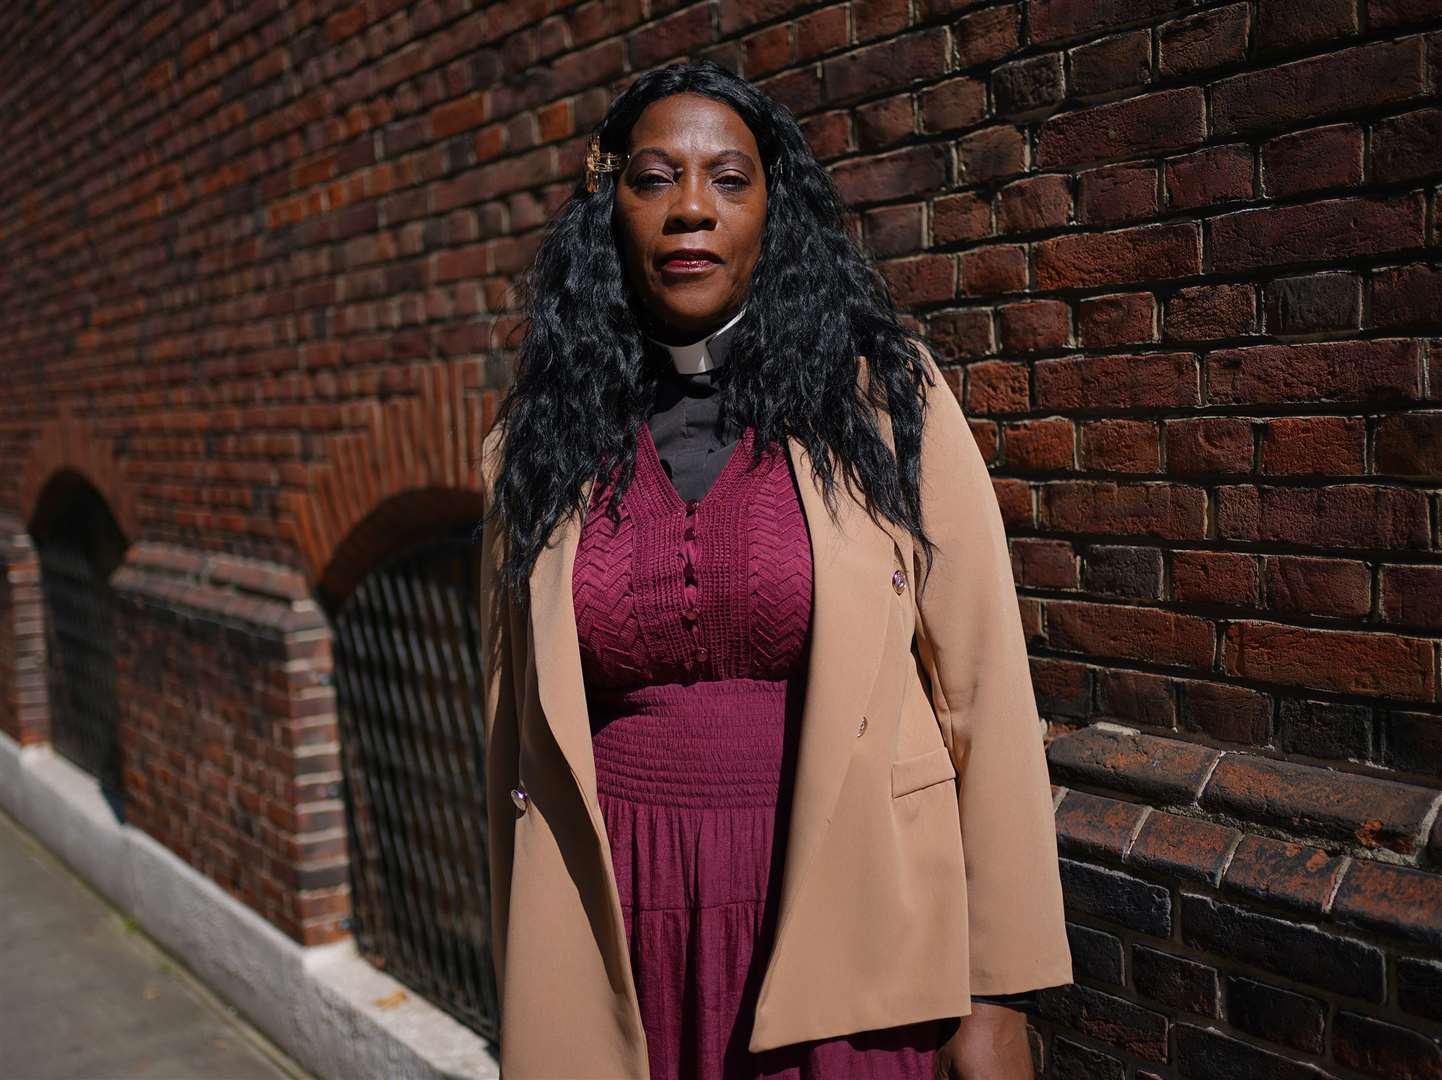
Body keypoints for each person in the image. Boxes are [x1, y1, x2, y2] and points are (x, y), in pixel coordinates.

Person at [475, 59, 1071, 1080]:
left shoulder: (884, 400)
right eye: (654, 178)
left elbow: (984, 696)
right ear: (608, 208)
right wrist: (525, 984)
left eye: (728, 179)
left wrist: (996, 988)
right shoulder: (531, 446)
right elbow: (506, 748)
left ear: (771, 209)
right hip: (621, 934)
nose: (690, 209)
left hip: (854, 930)